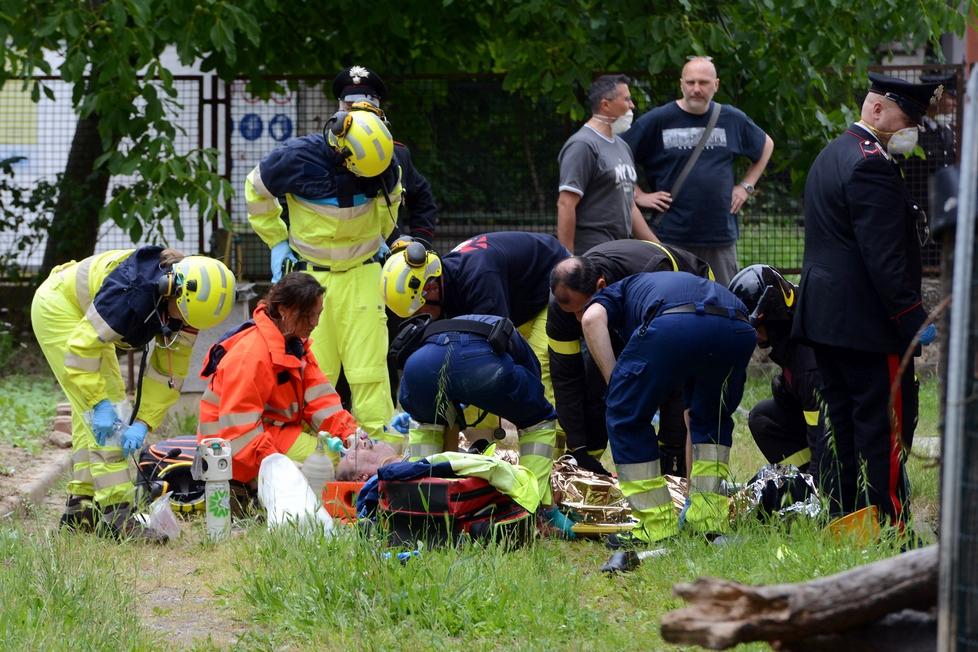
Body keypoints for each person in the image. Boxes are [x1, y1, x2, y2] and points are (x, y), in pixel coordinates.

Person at [792, 72, 942, 527]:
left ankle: (845, 517)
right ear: (877, 109)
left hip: (825, 319)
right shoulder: (872, 163)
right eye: (907, 117)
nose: (911, 127)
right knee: (883, 428)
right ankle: (889, 525)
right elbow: (885, 258)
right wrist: (912, 320)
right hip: (867, 324)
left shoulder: (833, 154)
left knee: (840, 424)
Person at [31, 247, 236, 541]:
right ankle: (117, 514)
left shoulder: (188, 307)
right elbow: (80, 352)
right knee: (107, 410)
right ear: (173, 290)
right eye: (183, 317)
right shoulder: (132, 293)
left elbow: (168, 374)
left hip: (89, 320)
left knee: (100, 411)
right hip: (59, 308)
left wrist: (143, 423)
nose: (183, 325)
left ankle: (81, 509)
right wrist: (98, 404)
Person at [245, 108, 403, 449]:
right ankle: (315, 463)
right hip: (312, 279)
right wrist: (276, 240)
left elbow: (391, 205)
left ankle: (379, 466)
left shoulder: (382, 164)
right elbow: (256, 189)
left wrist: (379, 238)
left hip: (363, 274)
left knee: (370, 374)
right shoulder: (295, 158)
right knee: (314, 373)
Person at [581, 272, 755, 550]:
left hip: (674, 325)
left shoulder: (616, 291)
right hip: (739, 329)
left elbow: (591, 319)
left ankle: (655, 525)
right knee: (712, 421)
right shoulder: (666, 283)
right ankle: (706, 518)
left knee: (626, 417)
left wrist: (617, 386)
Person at [391, 312, 574, 536]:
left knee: (426, 425)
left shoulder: (447, 324)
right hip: (482, 365)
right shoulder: (515, 342)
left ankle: (418, 507)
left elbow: (443, 374)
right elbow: (533, 384)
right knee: (539, 420)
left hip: (419, 366)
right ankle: (537, 510)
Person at [381, 232, 569, 440]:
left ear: (430, 288)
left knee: (540, 368)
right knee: (469, 370)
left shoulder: (480, 279)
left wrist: (459, 394)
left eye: (418, 312)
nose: (419, 319)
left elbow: (494, 353)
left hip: (550, 286)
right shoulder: (444, 282)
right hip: (515, 299)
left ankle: (558, 452)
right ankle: (480, 451)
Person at [548, 239, 712, 475]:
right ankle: (590, 460)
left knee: (668, 379)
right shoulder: (562, 306)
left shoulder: (648, 276)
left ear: (601, 286)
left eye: (583, 310)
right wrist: (579, 448)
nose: (578, 320)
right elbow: (565, 379)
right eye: (571, 313)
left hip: (686, 299)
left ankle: (674, 460)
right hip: (624, 310)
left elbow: (669, 371)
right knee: (598, 382)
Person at [623, 56, 774, 285]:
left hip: (720, 237)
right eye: (691, 82)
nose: (696, 89)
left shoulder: (731, 118)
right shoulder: (659, 119)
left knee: (723, 305)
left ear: (716, 85)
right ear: (681, 84)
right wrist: (638, 194)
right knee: (673, 303)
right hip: (671, 235)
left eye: (703, 82)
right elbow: (619, 153)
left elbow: (767, 145)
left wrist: (746, 186)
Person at [197, 272, 359, 485]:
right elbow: (240, 432)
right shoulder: (252, 355)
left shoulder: (293, 345)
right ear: (284, 311)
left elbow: (321, 402)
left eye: (318, 314)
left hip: (261, 433)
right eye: (308, 315)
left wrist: (352, 434)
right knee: (329, 458)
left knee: (335, 452)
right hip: (227, 454)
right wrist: (277, 463)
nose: (315, 323)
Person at [728, 264, 823, 474]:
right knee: (763, 417)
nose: (752, 336)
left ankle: (821, 483)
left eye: (754, 328)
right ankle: (802, 475)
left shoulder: (807, 359)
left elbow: (821, 431)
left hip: (849, 439)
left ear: (771, 317)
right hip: (829, 427)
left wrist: (820, 490)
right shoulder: (791, 335)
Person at [333, 65, 438, 245]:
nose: (357, 114)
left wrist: (421, 241)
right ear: (339, 111)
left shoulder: (398, 154)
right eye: (350, 107)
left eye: (366, 108)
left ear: (379, 113)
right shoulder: (317, 152)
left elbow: (422, 197)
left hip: (388, 259)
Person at [556, 74, 658, 255]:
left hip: (618, 251)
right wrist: (567, 258)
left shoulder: (622, 145)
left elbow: (630, 205)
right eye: (626, 99)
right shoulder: (583, 145)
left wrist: (661, 250)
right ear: (605, 105)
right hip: (591, 253)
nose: (632, 105)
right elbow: (566, 204)